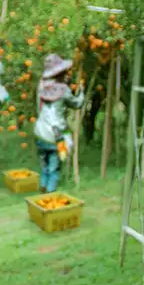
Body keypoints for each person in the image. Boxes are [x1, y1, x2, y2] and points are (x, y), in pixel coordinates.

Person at [34, 54, 85, 193]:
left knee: (44, 164)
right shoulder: (64, 90)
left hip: (39, 131)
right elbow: (77, 103)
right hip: (56, 135)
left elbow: (38, 108)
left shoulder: (41, 86)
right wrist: (81, 91)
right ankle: (50, 192)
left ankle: (43, 186)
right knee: (54, 166)